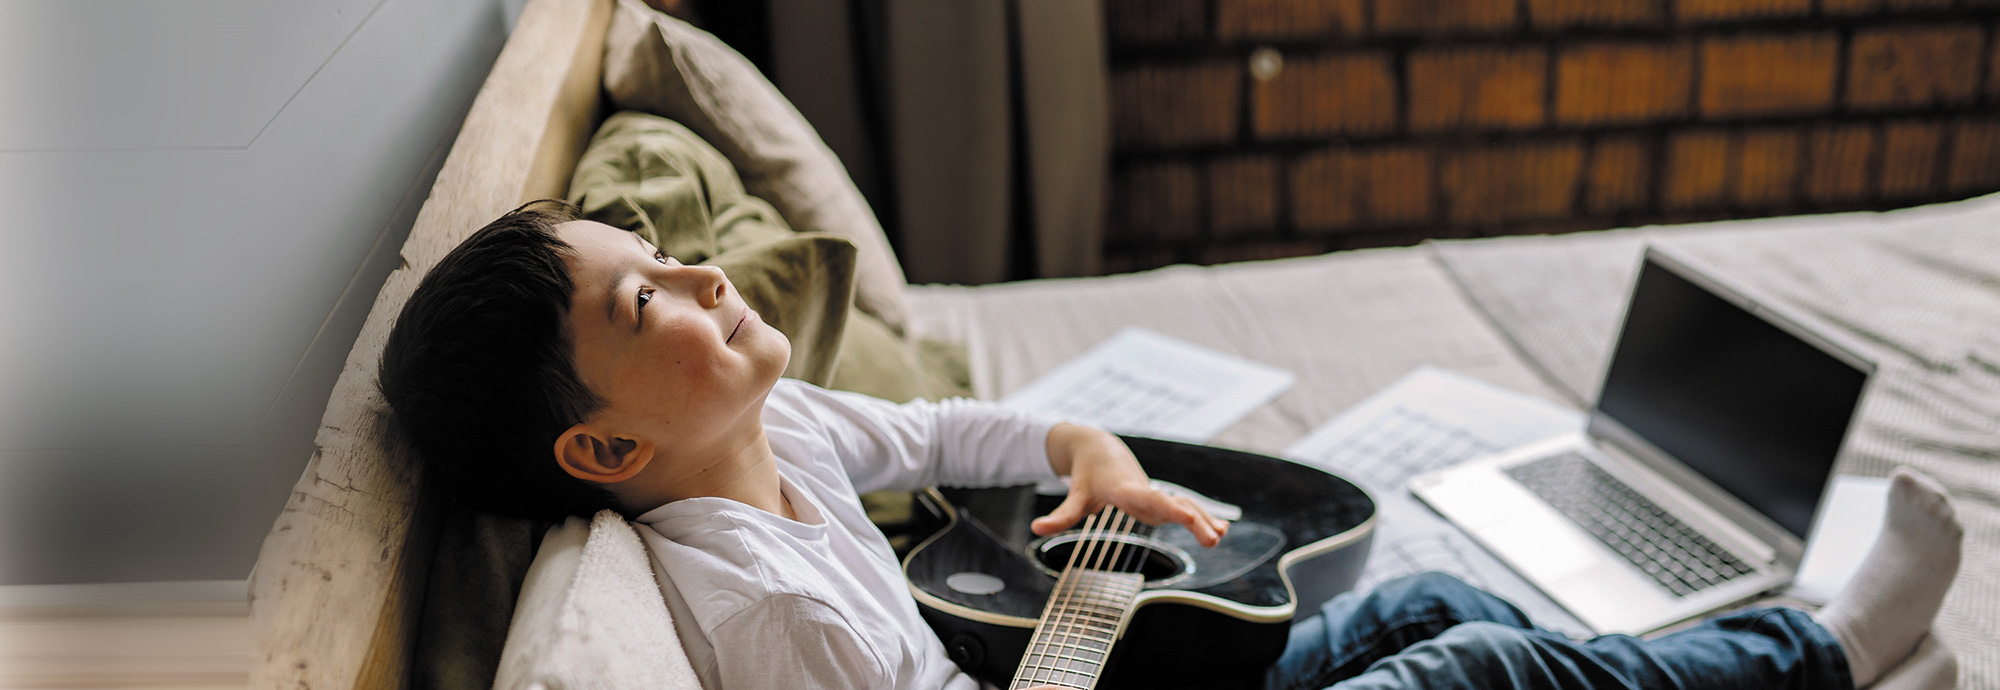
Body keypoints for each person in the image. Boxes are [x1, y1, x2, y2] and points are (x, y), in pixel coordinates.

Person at [378, 201, 1962, 690]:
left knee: (1423, 605)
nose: (709, 276)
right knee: (1471, 673)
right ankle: (1816, 647)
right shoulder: (752, 604)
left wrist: (1090, 449)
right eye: (647, 293)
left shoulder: (769, 421)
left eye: (663, 244)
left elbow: (948, 424)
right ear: (597, 451)